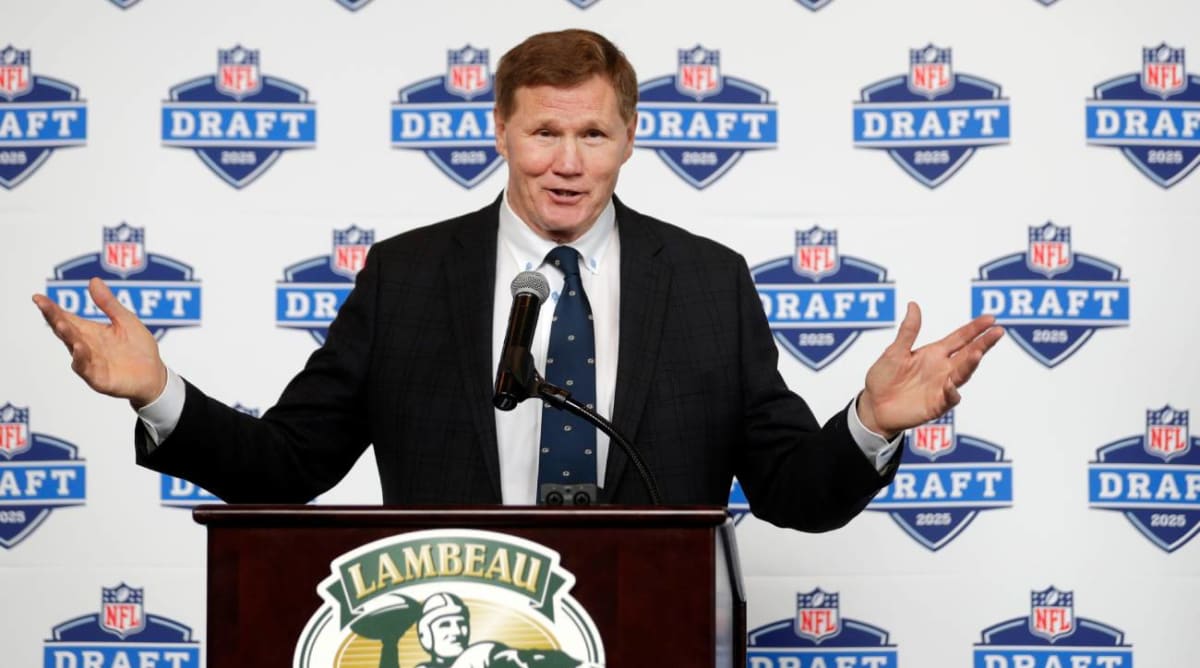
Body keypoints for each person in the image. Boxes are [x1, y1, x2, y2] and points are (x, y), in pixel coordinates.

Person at [31, 29, 1002, 529]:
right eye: (544, 132)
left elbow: (794, 493)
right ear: (500, 131)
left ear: (630, 138)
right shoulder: (408, 276)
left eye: (593, 134)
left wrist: (868, 423)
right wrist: (159, 394)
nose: (567, 164)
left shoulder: (709, 282)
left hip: (649, 626)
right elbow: (288, 465)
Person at [415, 593, 587, 667]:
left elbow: (522, 659)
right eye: (444, 625)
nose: (457, 632)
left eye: (461, 624)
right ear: (426, 635)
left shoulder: (480, 655)